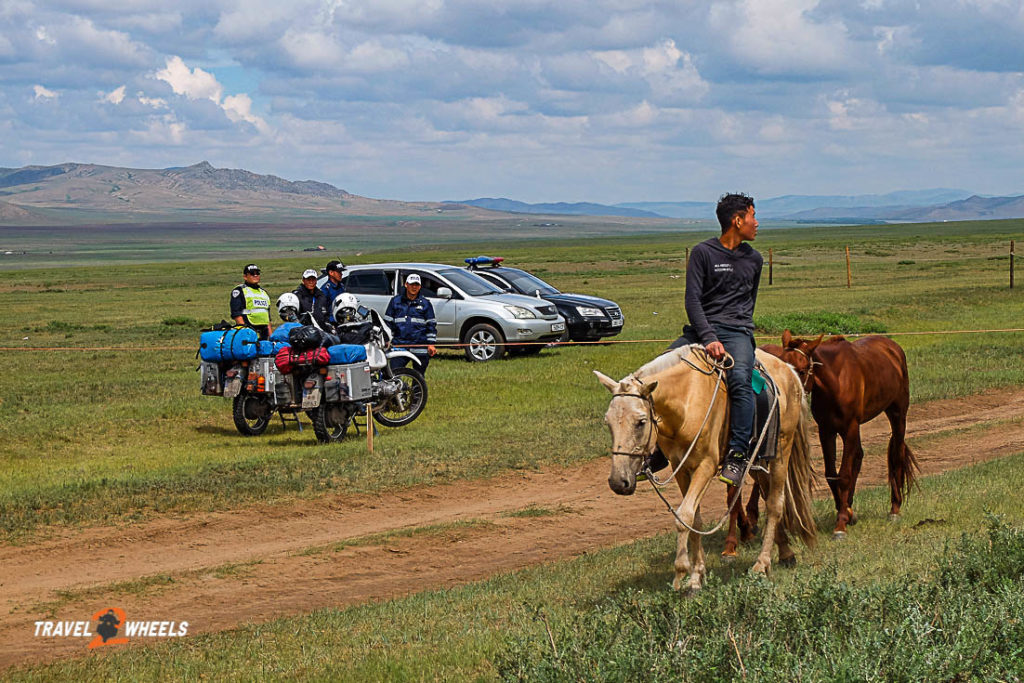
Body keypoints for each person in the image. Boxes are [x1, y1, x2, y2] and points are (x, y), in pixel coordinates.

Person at [669, 193, 763, 487]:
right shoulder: (703, 253)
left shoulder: (755, 259)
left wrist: (739, 334)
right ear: (737, 221)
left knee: (740, 381)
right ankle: (657, 450)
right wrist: (708, 336)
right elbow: (693, 301)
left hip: (737, 334)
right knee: (658, 375)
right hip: (701, 332)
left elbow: (748, 304)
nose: (757, 223)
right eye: (752, 216)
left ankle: (737, 454)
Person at [384, 273, 437, 374]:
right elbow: (388, 323)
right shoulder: (395, 301)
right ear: (406, 285)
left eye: (417, 285)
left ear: (420, 287)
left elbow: (431, 325)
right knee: (393, 373)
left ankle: (417, 390)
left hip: (420, 346)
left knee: (419, 376)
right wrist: (386, 339)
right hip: (399, 345)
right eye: (412, 284)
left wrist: (431, 344)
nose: (414, 287)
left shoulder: (426, 304)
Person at [230, 263, 273, 340]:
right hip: (249, 330)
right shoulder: (239, 291)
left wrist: (271, 336)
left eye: (257, 273)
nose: (255, 275)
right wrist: (245, 332)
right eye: (252, 273)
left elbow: (267, 316)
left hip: (264, 332)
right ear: (245, 277)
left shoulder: (263, 292)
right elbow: (236, 314)